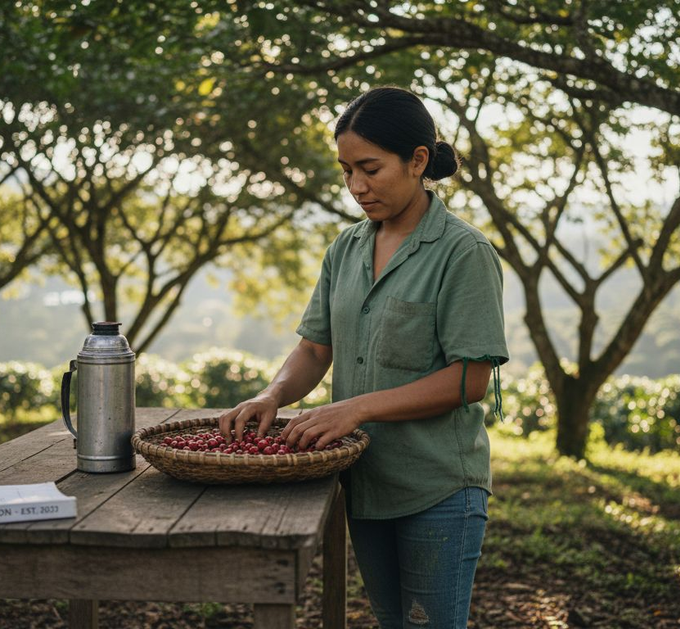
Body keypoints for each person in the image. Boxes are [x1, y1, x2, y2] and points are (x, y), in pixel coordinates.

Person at [218, 86, 508, 628]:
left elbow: (469, 379)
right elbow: (313, 347)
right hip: (366, 480)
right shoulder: (346, 249)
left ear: (418, 160)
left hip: (438, 487)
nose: (356, 186)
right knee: (391, 621)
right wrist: (272, 394)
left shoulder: (464, 253)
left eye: (370, 169)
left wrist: (355, 408)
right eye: (346, 170)